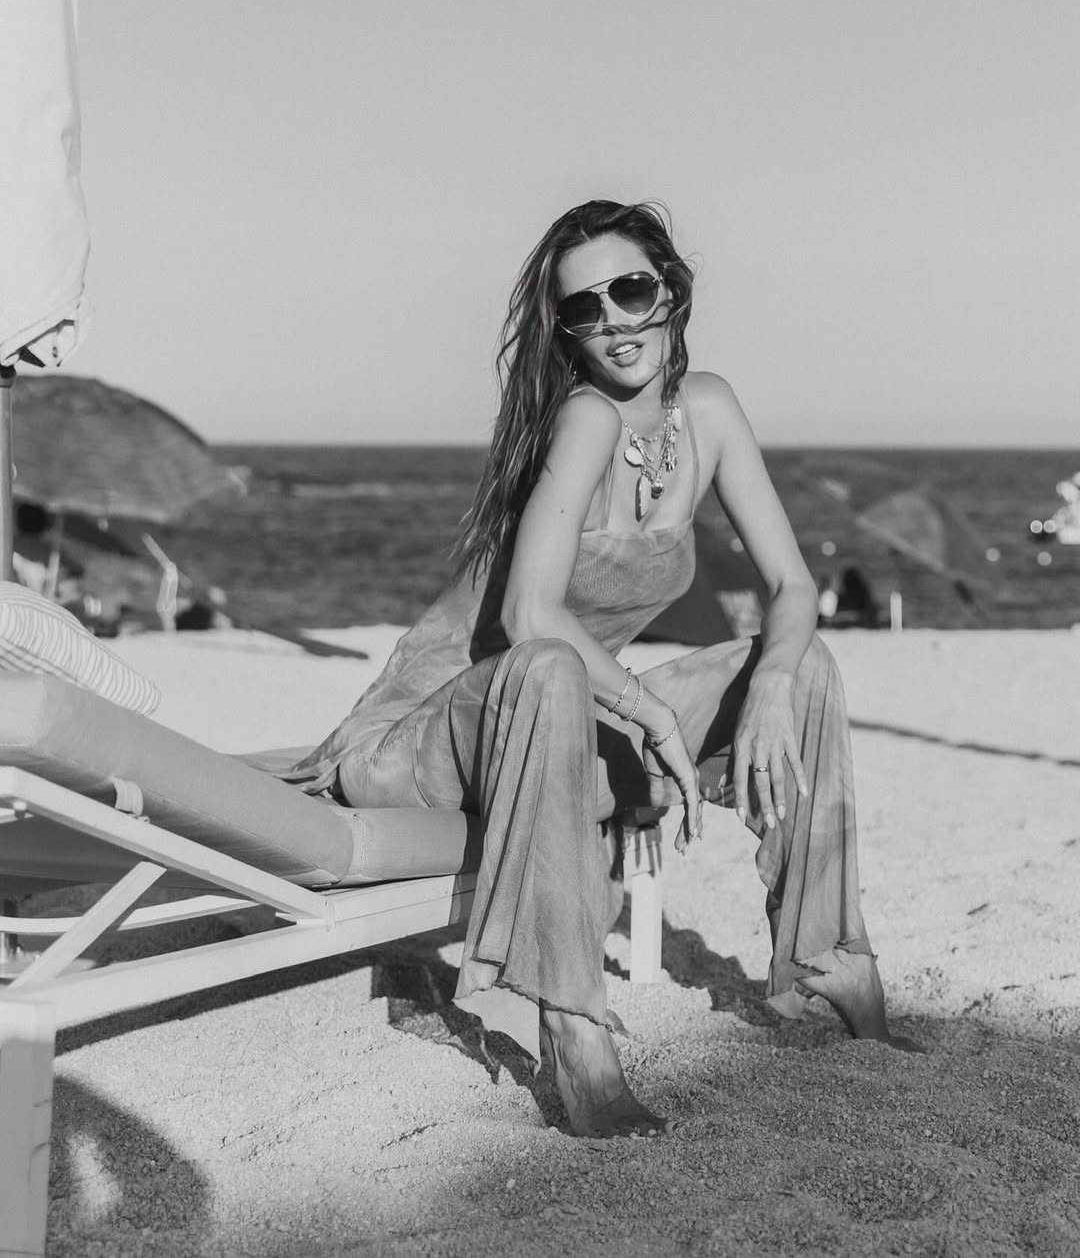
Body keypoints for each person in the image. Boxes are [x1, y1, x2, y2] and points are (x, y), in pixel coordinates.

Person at [280, 199, 918, 1139]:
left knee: (805, 661)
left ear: (672, 290)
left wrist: (771, 686)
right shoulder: (583, 418)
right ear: (567, 333)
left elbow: (792, 585)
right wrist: (652, 717)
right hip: (421, 742)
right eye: (585, 308)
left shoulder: (709, 411)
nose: (615, 320)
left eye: (631, 289)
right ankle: (574, 1032)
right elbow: (527, 615)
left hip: (563, 722)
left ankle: (830, 960)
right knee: (548, 663)